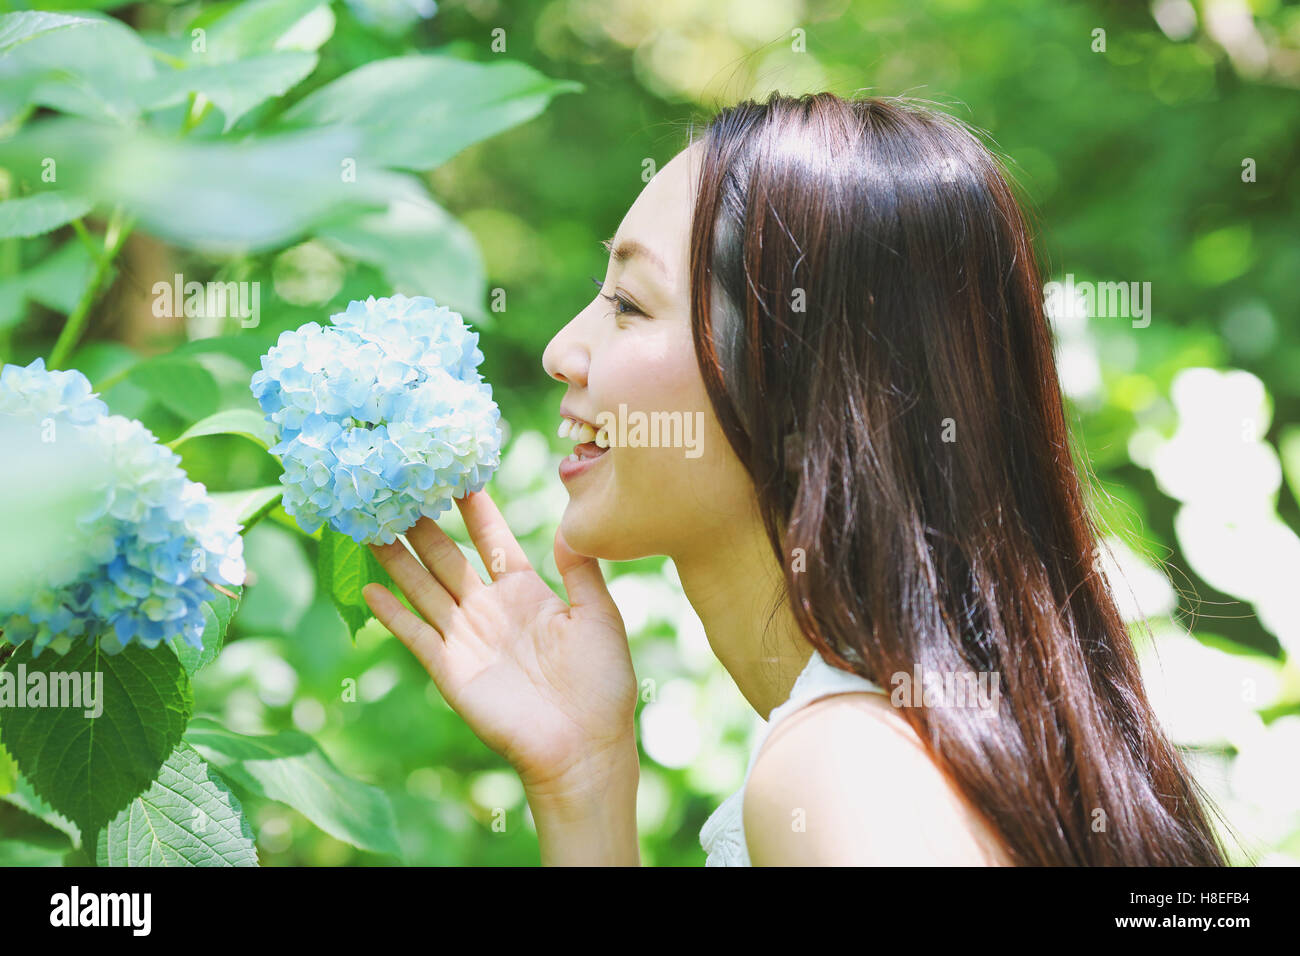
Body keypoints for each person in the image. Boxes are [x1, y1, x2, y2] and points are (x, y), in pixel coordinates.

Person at [362, 92, 1230, 867]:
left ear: (801, 376)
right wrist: (584, 780)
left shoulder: (842, 772)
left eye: (630, 304)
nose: (561, 351)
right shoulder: (914, 743)